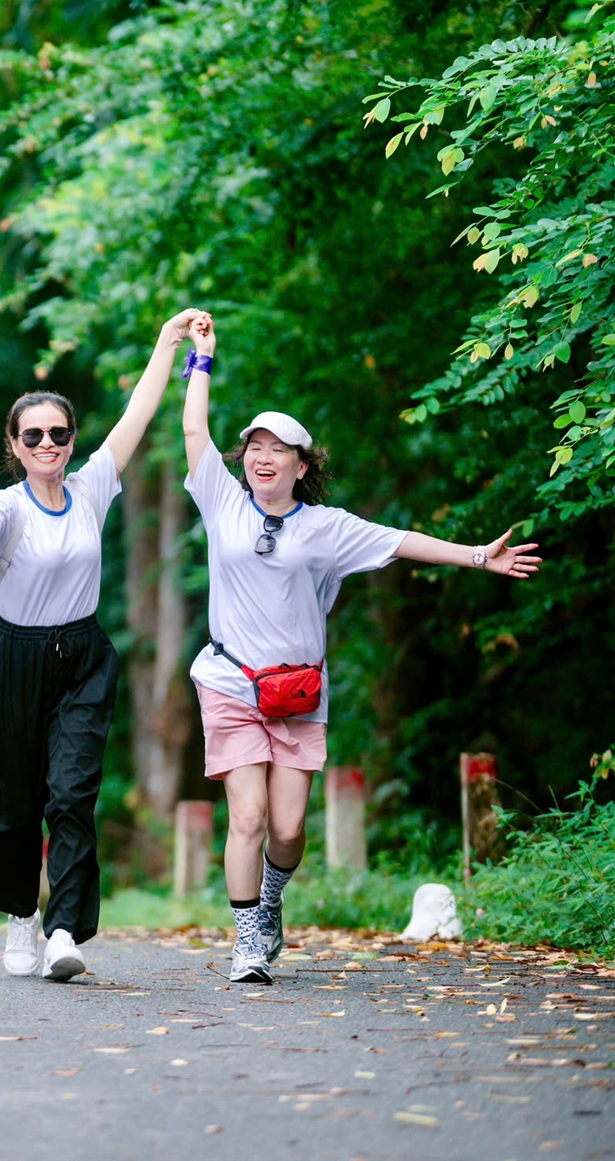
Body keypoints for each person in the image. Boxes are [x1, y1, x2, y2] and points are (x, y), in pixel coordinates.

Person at [180, 315, 541, 982]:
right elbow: (194, 432)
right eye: (253, 446)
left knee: (288, 828)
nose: (261, 456)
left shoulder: (328, 529)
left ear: (302, 464)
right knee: (250, 815)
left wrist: (478, 557)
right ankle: (248, 939)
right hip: (229, 681)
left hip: (298, 691)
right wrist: (200, 359)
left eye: (276, 448)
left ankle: (271, 898)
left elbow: (401, 540)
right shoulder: (221, 503)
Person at [0, 310, 204, 983]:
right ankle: (21, 915)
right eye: (33, 435)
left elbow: (139, 411)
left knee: (72, 794)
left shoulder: (92, 487)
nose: (47, 442)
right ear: (15, 445)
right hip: (13, 663)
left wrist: (169, 344)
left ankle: (64, 929)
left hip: (82, 658)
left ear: (73, 439)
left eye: (58, 432)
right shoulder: (9, 503)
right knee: (16, 804)